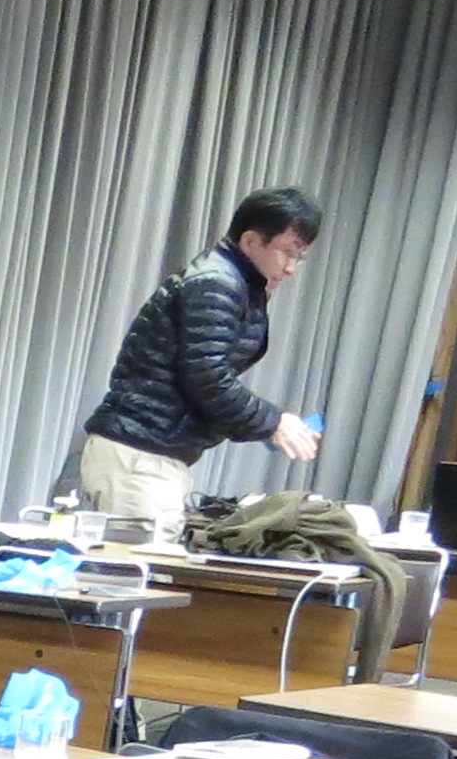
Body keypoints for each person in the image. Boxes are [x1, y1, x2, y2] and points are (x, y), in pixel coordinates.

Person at [74, 188, 324, 544]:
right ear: (251, 241)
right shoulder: (217, 283)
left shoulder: (233, 282)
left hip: (149, 453)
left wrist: (266, 424)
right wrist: (273, 422)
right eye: (287, 252)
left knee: (148, 567)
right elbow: (206, 377)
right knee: (141, 569)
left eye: (300, 256)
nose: (291, 267)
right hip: (140, 454)